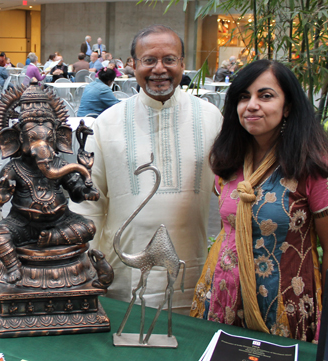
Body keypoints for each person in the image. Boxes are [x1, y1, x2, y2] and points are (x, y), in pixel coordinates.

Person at [190, 60, 328, 342]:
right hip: (222, 297)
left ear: (287, 106)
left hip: (286, 305)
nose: (251, 105)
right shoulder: (229, 160)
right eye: (243, 96)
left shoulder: (313, 165)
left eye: (265, 96)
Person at [70, 25, 222, 314]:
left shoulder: (211, 118)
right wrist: (83, 265)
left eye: (169, 59)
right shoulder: (108, 122)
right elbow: (89, 201)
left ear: (182, 64)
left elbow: (231, 193)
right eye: (149, 60)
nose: (159, 69)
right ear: (133, 65)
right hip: (121, 272)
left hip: (192, 271)